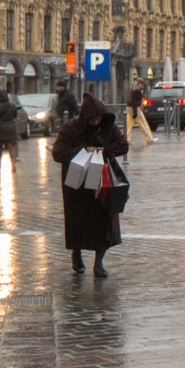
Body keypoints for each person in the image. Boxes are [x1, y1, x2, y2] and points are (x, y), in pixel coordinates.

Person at [52, 94, 128, 277]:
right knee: (78, 222)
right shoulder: (71, 128)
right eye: (92, 119)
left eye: (98, 119)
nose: (95, 122)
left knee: (104, 222)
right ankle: (76, 254)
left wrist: (104, 151)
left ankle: (98, 262)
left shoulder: (108, 127)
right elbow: (58, 153)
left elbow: (123, 145)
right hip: (77, 184)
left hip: (103, 182)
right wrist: (83, 151)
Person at [0, 90, 23, 163]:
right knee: (11, 147)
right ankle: (13, 164)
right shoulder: (12, 105)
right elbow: (15, 115)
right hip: (10, 127)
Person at [127, 78, 154, 147]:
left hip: (129, 108)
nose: (143, 86)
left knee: (128, 125)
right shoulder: (137, 92)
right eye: (143, 84)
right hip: (135, 108)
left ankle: (127, 139)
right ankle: (149, 138)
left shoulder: (132, 90)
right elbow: (135, 102)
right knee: (143, 124)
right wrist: (135, 111)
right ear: (140, 84)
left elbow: (131, 101)